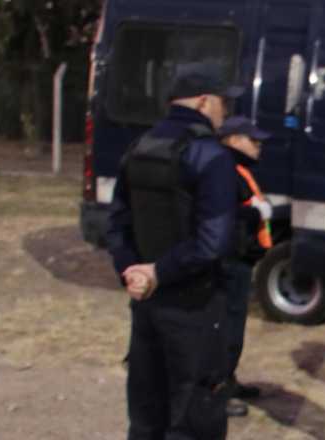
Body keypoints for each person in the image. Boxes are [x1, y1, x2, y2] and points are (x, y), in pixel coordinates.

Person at [106, 64, 243, 439]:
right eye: (222, 103)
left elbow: (116, 224)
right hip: (193, 306)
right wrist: (158, 272)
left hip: (147, 304)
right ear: (203, 102)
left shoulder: (138, 147)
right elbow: (212, 242)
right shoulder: (210, 156)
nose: (225, 113)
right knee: (195, 414)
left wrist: (131, 270)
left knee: (147, 412)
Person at [217, 116, 273, 417]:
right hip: (229, 262)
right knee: (226, 330)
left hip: (239, 259)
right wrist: (254, 214)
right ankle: (219, 391)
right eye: (253, 140)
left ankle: (228, 380)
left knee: (233, 327)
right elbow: (225, 217)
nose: (259, 145)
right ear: (233, 140)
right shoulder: (225, 170)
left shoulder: (236, 169)